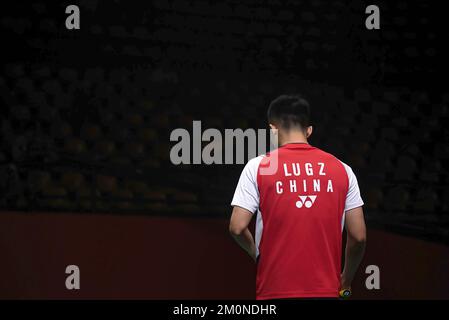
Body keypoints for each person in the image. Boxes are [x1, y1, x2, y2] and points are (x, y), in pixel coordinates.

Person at [229, 94, 366, 300]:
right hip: (326, 291)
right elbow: (358, 236)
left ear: (272, 130)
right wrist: (346, 279)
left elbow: (237, 227)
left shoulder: (258, 167)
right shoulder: (343, 169)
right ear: (309, 130)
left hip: (274, 291)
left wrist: (258, 255)